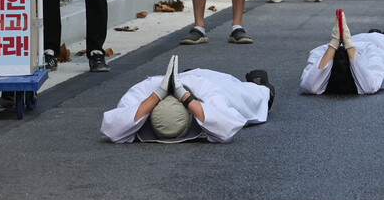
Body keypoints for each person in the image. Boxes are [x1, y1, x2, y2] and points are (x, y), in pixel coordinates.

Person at [100, 54, 273, 144]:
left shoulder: (205, 89)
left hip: (211, 84)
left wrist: (184, 94)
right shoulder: (149, 89)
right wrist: (159, 94)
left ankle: (260, 82)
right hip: (186, 87)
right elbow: (227, 126)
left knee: (260, 95)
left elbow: (227, 126)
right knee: (256, 102)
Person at [300, 9, 384, 95]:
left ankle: (376, 34)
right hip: (374, 46)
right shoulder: (369, 73)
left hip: (360, 43)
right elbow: (369, 86)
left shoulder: (324, 54)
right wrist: (346, 43)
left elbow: (311, 85)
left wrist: (335, 43)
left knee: (375, 36)